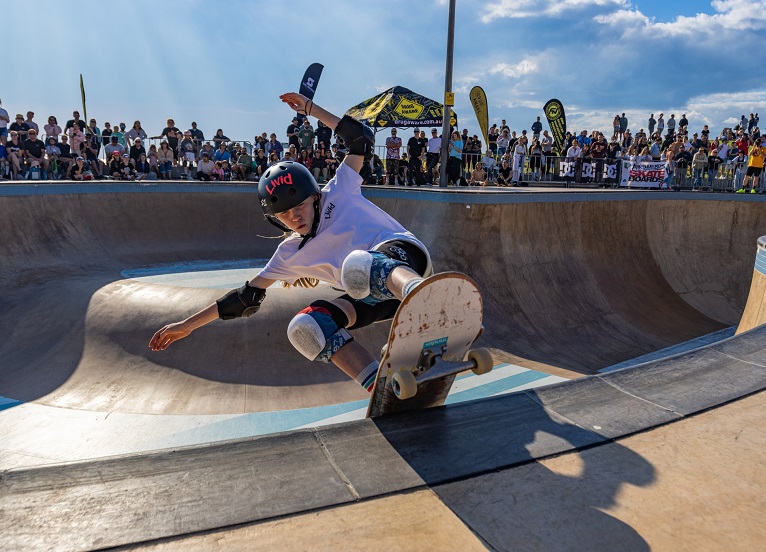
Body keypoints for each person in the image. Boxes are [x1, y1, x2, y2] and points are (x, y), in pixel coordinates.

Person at [150, 91, 432, 395]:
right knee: (307, 326)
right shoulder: (289, 254)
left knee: (359, 264)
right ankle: (381, 386)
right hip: (375, 298)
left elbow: (360, 139)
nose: (295, 217)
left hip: (406, 262)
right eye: (284, 215)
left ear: (314, 196)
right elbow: (245, 298)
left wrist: (311, 109)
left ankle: (423, 293)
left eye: (299, 207)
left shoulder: (339, 190)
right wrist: (187, 326)